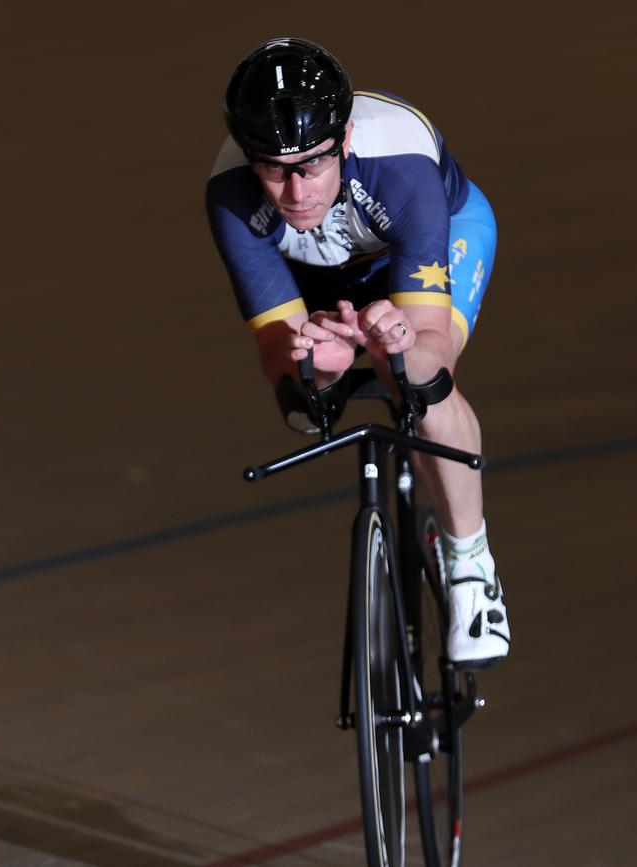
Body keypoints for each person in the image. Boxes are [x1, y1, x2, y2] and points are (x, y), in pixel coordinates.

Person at [206, 37, 510, 669]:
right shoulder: (231, 193)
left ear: (343, 142)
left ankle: (471, 567)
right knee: (304, 403)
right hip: (329, 279)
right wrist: (320, 361)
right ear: (248, 156)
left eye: (312, 165)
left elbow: (428, 344)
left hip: (435, 235)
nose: (294, 194)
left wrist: (399, 343)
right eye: (273, 169)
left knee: (421, 386)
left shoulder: (398, 161)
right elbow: (279, 362)